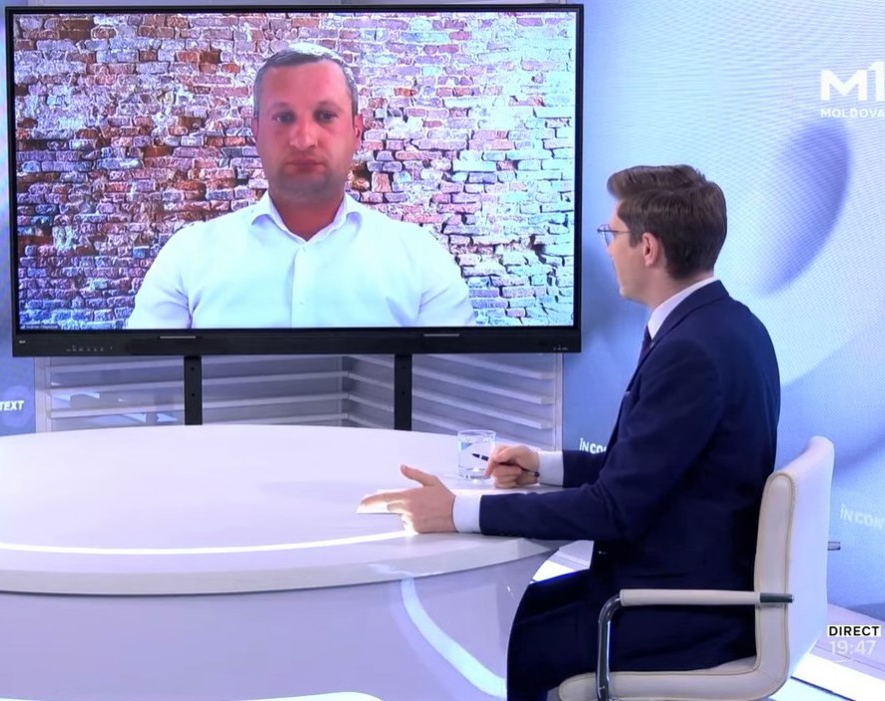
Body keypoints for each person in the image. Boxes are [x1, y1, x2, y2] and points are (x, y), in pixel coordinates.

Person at [360, 165, 781, 701]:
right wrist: (543, 464)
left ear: (648, 248)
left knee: (479, 647)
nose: (607, 249)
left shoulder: (690, 353)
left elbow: (614, 510)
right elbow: (648, 471)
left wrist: (458, 512)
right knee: (488, 613)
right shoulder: (729, 324)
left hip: (675, 611)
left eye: (612, 234)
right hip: (672, 583)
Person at [124, 43, 474, 329]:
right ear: (256, 131)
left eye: (325, 116)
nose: (304, 139)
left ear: (357, 131)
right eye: (283, 117)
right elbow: (143, 384)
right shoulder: (189, 256)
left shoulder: (421, 260)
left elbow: (454, 385)